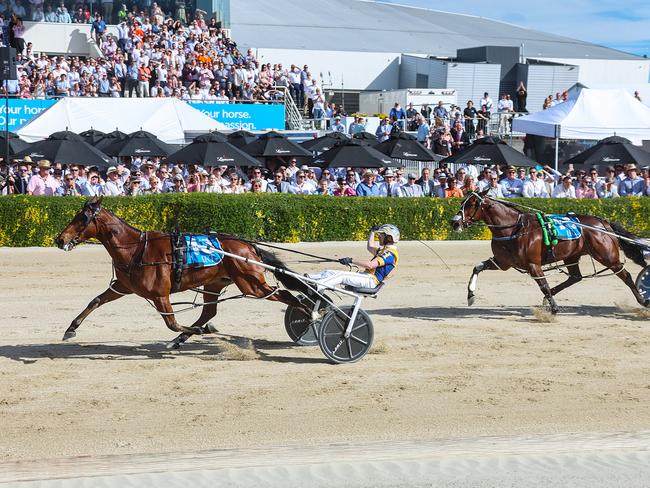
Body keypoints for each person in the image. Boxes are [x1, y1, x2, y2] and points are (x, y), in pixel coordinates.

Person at [307, 224, 399, 292]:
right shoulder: (384, 250)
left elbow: (370, 265)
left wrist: (351, 260)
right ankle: (308, 278)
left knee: (341, 276)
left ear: (389, 238)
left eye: (381, 235)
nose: (378, 236)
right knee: (330, 272)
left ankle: (317, 287)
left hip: (370, 280)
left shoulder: (390, 254)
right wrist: (372, 232)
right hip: (366, 277)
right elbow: (370, 246)